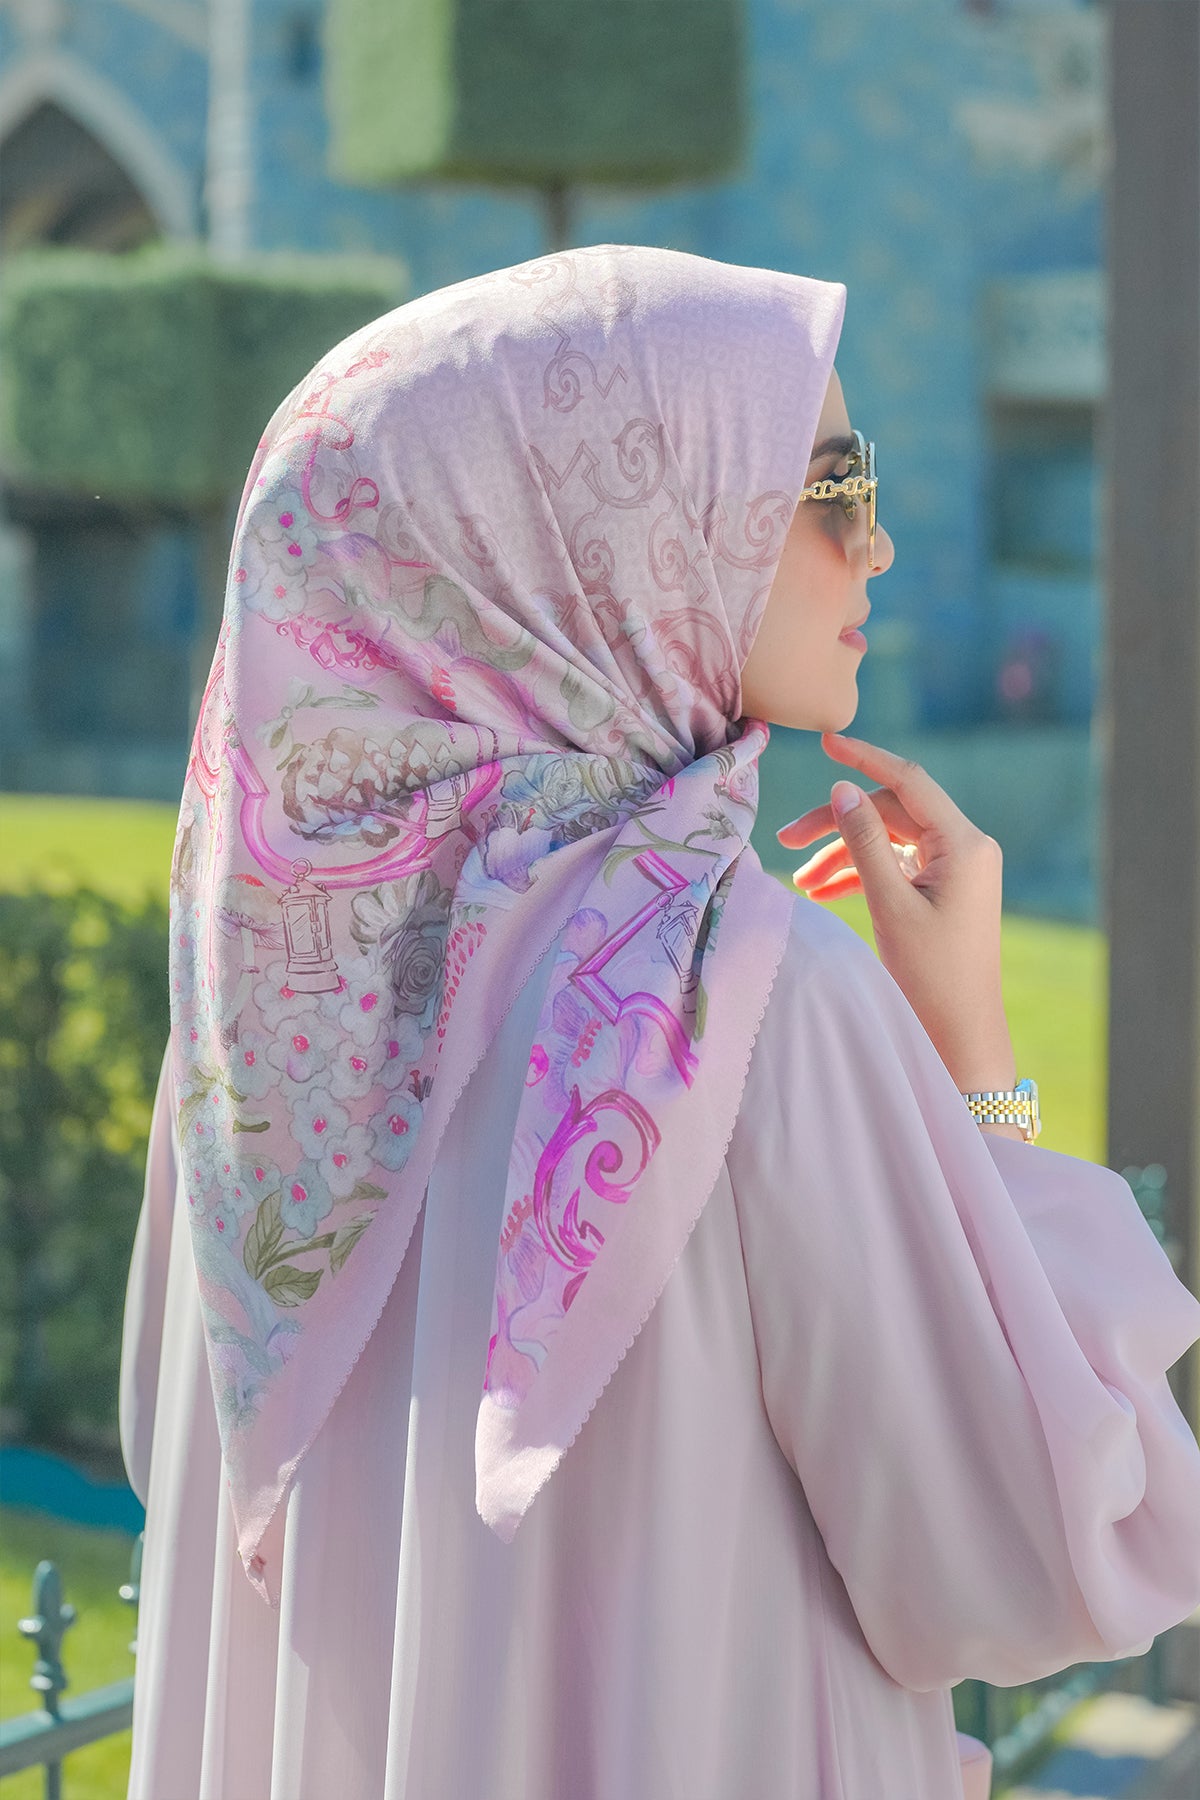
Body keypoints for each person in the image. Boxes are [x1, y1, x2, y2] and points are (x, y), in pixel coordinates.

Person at [119, 244, 1200, 1800]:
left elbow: (186, 1468)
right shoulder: (741, 1007)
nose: (877, 544)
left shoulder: (263, 1018)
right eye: (829, 487)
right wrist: (976, 1067)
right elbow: (1043, 1553)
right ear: (602, 541)